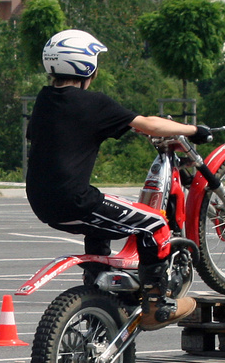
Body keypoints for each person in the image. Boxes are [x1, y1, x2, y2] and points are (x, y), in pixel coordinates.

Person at [25, 30, 213, 329]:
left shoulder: (44, 100)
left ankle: (96, 290)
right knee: (155, 224)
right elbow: (148, 124)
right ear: (86, 67)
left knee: (102, 224)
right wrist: (193, 130)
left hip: (42, 204)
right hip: (75, 200)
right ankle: (157, 305)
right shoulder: (92, 103)